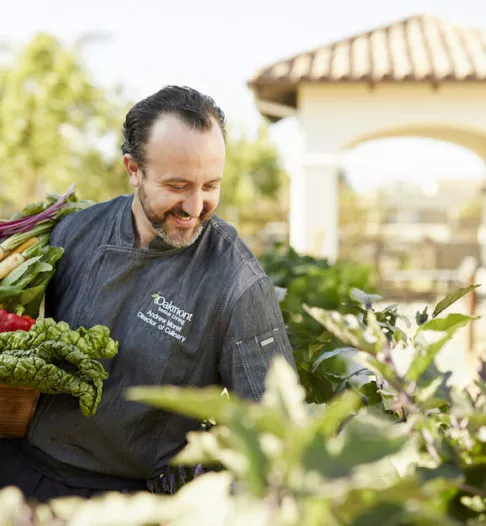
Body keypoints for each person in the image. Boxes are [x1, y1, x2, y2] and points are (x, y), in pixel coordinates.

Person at [0, 85, 296, 502]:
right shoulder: (75, 232)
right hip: (23, 470)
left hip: (131, 500)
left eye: (210, 185)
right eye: (178, 185)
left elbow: (276, 428)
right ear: (133, 169)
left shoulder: (237, 282)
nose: (195, 206)